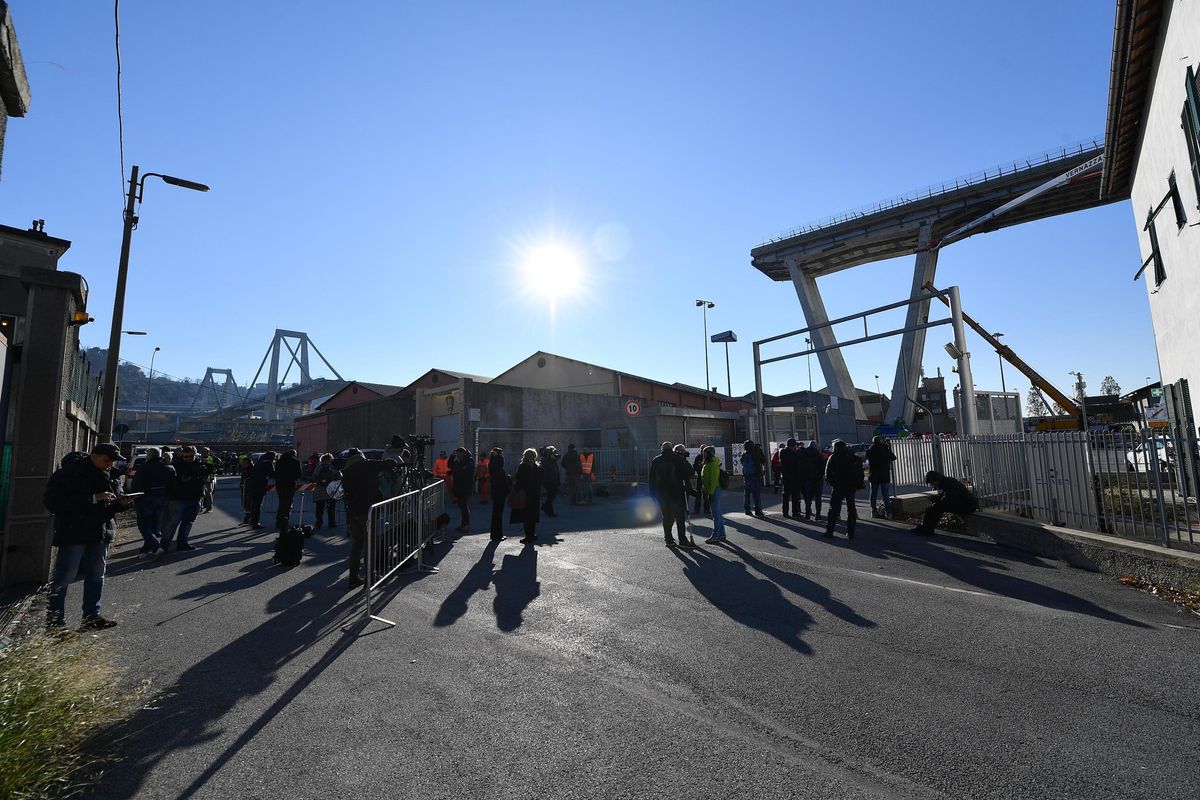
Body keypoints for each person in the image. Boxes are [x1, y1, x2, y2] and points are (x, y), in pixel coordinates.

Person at [42, 443, 135, 630]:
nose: (109, 464)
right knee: (64, 578)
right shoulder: (69, 473)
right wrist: (92, 498)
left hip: (101, 532)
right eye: (106, 460)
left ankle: (91, 617)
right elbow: (53, 502)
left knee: (96, 576)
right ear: (93, 455)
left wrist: (123, 502)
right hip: (74, 532)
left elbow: (112, 503)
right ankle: (54, 625)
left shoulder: (112, 474)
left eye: (112, 461)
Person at [340, 448, 395, 589]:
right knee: (371, 544)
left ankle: (353, 577)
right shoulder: (367, 464)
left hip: (353, 512)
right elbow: (387, 463)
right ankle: (370, 577)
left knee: (357, 545)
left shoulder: (345, 471)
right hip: (367, 511)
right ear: (360, 455)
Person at [648, 442, 696, 548]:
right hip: (677, 492)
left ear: (662, 449)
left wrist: (652, 494)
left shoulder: (656, 460)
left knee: (666, 516)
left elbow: (651, 478)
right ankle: (682, 540)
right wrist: (683, 459)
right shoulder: (677, 459)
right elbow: (690, 472)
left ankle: (668, 540)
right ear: (671, 449)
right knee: (679, 517)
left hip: (662, 493)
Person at [131, 447, 174, 560]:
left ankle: (156, 547)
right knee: (153, 526)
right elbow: (173, 485)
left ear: (148, 456)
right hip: (162, 498)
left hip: (145, 498)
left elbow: (136, 484)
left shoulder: (144, 467)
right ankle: (144, 551)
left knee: (144, 526)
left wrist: (135, 499)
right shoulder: (169, 467)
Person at [161, 445, 206, 552]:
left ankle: (182, 543)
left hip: (194, 497)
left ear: (195, 455)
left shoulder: (200, 465)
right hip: (178, 498)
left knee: (188, 522)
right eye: (185, 456)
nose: (187, 459)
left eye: (190, 456)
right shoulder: (176, 465)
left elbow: (202, 480)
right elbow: (169, 482)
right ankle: (164, 545)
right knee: (173, 523)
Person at [913, 470, 978, 535]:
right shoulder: (945, 483)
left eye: (932, 483)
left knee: (937, 507)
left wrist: (938, 501)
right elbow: (946, 497)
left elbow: (949, 498)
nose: (933, 485)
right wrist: (936, 499)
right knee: (933, 507)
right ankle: (925, 527)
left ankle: (928, 528)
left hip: (968, 505)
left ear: (936, 480)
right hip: (961, 503)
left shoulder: (949, 483)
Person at [823, 440, 864, 539]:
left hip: (838, 487)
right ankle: (851, 532)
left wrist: (833, 484)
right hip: (850, 486)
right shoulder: (853, 458)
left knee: (833, 509)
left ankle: (830, 531)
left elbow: (827, 473)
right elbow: (860, 473)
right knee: (851, 509)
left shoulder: (833, 458)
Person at [510, 448, 544, 544]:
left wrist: (515, 490)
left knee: (526, 517)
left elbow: (520, 480)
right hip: (535, 495)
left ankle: (528, 536)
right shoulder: (538, 467)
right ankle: (532, 535)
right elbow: (542, 479)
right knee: (533, 516)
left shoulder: (523, 466)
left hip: (525, 494)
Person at [866, 436, 897, 519]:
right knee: (885, 494)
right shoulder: (885, 449)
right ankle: (889, 513)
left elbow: (867, 458)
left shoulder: (870, 449)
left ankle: (873, 512)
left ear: (873, 442)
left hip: (873, 474)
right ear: (881, 441)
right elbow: (893, 457)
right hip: (884, 474)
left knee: (873, 494)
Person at [273, 449, 304, 532]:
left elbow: (275, 473)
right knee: (288, 502)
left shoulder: (280, 461)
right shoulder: (296, 461)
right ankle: (285, 520)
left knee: (281, 502)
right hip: (289, 484)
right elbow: (299, 474)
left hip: (279, 484)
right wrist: (293, 478)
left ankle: (278, 520)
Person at [700, 445, 726, 543]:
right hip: (712, 489)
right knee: (717, 513)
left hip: (714, 489)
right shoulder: (709, 463)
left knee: (716, 514)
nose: (703, 454)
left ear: (710, 453)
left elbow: (714, 480)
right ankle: (722, 534)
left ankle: (716, 535)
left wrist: (710, 493)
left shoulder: (713, 464)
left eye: (705, 453)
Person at [244, 452, 276, 528]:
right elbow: (272, 474)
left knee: (254, 503)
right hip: (260, 486)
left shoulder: (259, 462)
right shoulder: (268, 462)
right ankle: (255, 523)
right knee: (257, 505)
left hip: (252, 485)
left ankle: (252, 520)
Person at [448, 447, 475, 532]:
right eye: (456, 454)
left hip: (466, 487)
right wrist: (452, 456)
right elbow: (450, 465)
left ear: (463, 453)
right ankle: (463, 524)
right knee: (461, 505)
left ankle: (466, 524)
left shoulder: (469, 460)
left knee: (463, 505)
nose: (457, 455)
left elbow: (466, 471)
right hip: (458, 487)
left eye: (458, 453)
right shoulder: (458, 460)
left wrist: (456, 471)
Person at [312, 452, 341, 529]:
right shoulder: (333, 467)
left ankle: (318, 523)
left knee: (319, 508)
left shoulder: (318, 467)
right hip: (330, 490)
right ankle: (331, 523)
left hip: (319, 490)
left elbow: (314, 477)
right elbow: (339, 477)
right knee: (331, 508)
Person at [798, 441, 826, 521]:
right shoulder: (819, 455)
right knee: (818, 498)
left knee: (807, 498)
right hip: (818, 479)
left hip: (807, 479)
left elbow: (801, 467)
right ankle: (818, 516)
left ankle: (807, 515)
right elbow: (823, 468)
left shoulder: (804, 455)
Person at [487, 447, 509, 541]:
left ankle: (495, 534)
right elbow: (503, 481)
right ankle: (497, 535)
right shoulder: (498, 469)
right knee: (498, 514)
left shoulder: (492, 465)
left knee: (496, 514)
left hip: (496, 492)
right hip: (500, 492)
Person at [740, 439, 765, 518]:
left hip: (747, 477)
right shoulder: (756, 454)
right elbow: (763, 460)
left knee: (747, 494)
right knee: (756, 494)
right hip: (755, 476)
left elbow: (741, 462)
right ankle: (757, 510)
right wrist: (759, 451)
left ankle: (747, 509)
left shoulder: (744, 454)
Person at [778, 438, 802, 518]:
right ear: (793, 446)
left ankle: (785, 512)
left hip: (785, 476)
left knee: (786, 495)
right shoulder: (794, 454)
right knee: (795, 495)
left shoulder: (782, 452)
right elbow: (797, 464)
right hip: (794, 477)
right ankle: (795, 512)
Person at [541, 445, 561, 517]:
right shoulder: (545, 459)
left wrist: (552, 455)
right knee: (550, 496)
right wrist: (548, 456)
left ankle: (546, 507)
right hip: (548, 481)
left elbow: (559, 456)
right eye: (552, 453)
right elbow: (545, 465)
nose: (554, 454)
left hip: (554, 480)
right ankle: (549, 511)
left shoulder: (553, 459)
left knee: (552, 496)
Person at [691, 450, 711, 516]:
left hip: (706, 477)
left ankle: (707, 509)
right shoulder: (698, 457)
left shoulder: (709, 458)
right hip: (700, 477)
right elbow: (695, 466)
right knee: (698, 494)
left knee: (706, 495)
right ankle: (697, 510)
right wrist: (698, 470)